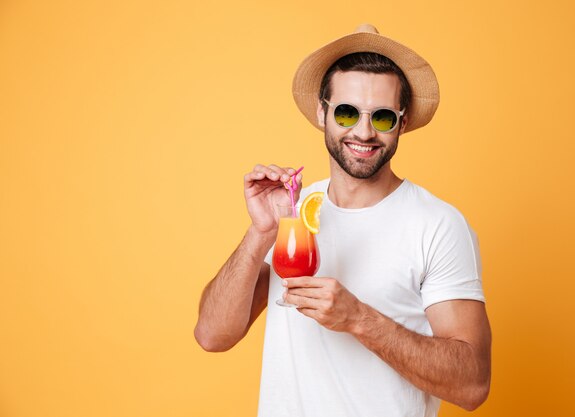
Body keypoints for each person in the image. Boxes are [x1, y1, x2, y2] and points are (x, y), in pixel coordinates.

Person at [194, 24, 491, 417]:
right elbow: (212, 335)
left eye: (382, 117)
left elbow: (472, 385)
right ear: (322, 112)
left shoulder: (438, 225)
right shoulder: (295, 212)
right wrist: (261, 232)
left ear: (402, 123)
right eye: (348, 112)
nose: (364, 132)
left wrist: (359, 318)